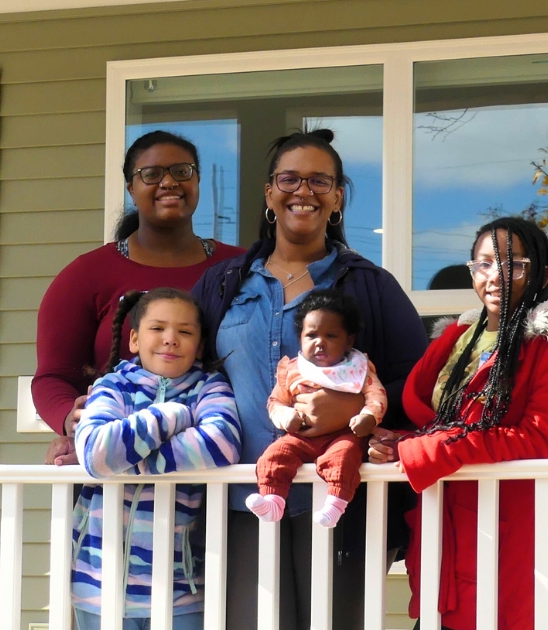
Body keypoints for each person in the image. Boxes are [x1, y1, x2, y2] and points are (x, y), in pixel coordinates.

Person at [192, 129, 428, 629]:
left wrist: (362, 416)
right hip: (242, 499)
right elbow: (180, 370)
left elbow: (417, 385)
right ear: (268, 193)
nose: (304, 191)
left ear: (338, 196)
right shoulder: (222, 284)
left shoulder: (369, 284)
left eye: (320, 180)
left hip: (342, 501)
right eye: (290, 179)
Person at [367, 217, 548, 630]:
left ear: (541, 274)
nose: (496, 277)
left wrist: (435, 451)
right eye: (484, 264)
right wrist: (402, 443)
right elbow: (442, 424)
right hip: (444, 521)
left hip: (505, 524)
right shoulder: (457, 337)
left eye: (513, 264)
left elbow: (546, 438)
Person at [33, 130, 245, 465]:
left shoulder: (239, 269)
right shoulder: (86, 275)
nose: (169, 182)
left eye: (182, 171)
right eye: (151, 174)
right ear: (131, 189)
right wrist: (70, 419)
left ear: (198, 181)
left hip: (218, 466)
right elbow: (52, 376)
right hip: (114, 479)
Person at [72, 288, 242, 630]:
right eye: (158, 328)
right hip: (99, 586)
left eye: (185, 331)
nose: (170, 339)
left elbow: (222, 443)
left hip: (182, 588)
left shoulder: (209, 388)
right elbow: (95, 452)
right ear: (134, 339)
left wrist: (131, 461)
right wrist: (171, 416)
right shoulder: (113, 387)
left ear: (199, 344)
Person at [246, 289, 388, 527]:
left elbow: (377, 395)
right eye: (311, 335)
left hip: (342, 436)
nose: (320, 342)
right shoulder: (293, 370)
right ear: (300, 338)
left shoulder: (358, 369)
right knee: (275, 455)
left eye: (331, 336)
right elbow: (276, 402)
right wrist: (286, 416)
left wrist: (368, 416)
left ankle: (335, 504)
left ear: (348, 341)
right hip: (300, 437)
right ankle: (273, 500)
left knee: (344, 457)